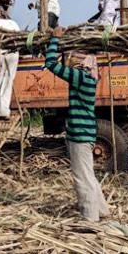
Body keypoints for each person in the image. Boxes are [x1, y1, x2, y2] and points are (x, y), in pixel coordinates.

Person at [45, 26, 109, 221]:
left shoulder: (80, 77)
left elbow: (50, 64)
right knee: (88, 174)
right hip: (85, 133)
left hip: (80, 136)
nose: (73, 59)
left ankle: (90, 218)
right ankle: (102, 210)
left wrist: (55, 39)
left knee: (82, 178)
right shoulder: (90, 78)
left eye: (77, 57)